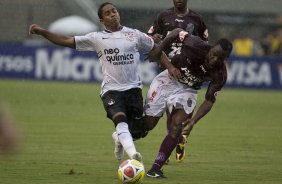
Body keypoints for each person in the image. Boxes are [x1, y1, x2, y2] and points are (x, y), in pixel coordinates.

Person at [29, 2, 156, 163]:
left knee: (136, 131)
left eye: (114, 11)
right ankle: (134, 156)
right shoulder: (96, 38)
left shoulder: (134, 35)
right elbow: (66, 40)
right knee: (120, 119)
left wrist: (170, 66)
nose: (113, 14)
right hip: (112, 90)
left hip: (133, 89)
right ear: (102, 20)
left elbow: (154, 48)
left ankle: (118, 138)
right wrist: (42, 32)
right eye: (108, 13)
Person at [143, 28, 233, 178]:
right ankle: (124, 132)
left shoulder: (220, 74)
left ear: (225, 59)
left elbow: (209, 100)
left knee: (177, 125)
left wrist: (193, 122)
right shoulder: (195, 44)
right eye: (213, 55)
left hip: (189, 90)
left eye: (220, 58)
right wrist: (160, 49)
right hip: (168, 80)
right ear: (211, 47)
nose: (214, 60)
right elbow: (177, 31)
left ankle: (155, 169)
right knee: (149, 124)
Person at [147, 0, 208, 163]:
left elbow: (204, 45)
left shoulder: (197, 19)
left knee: (175, 111)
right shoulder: (163, 16)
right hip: (166, 67)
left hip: (186, 70)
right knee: (168, 107)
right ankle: (174, 142)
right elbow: (150, 37)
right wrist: (154, 37)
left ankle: (170, 146)